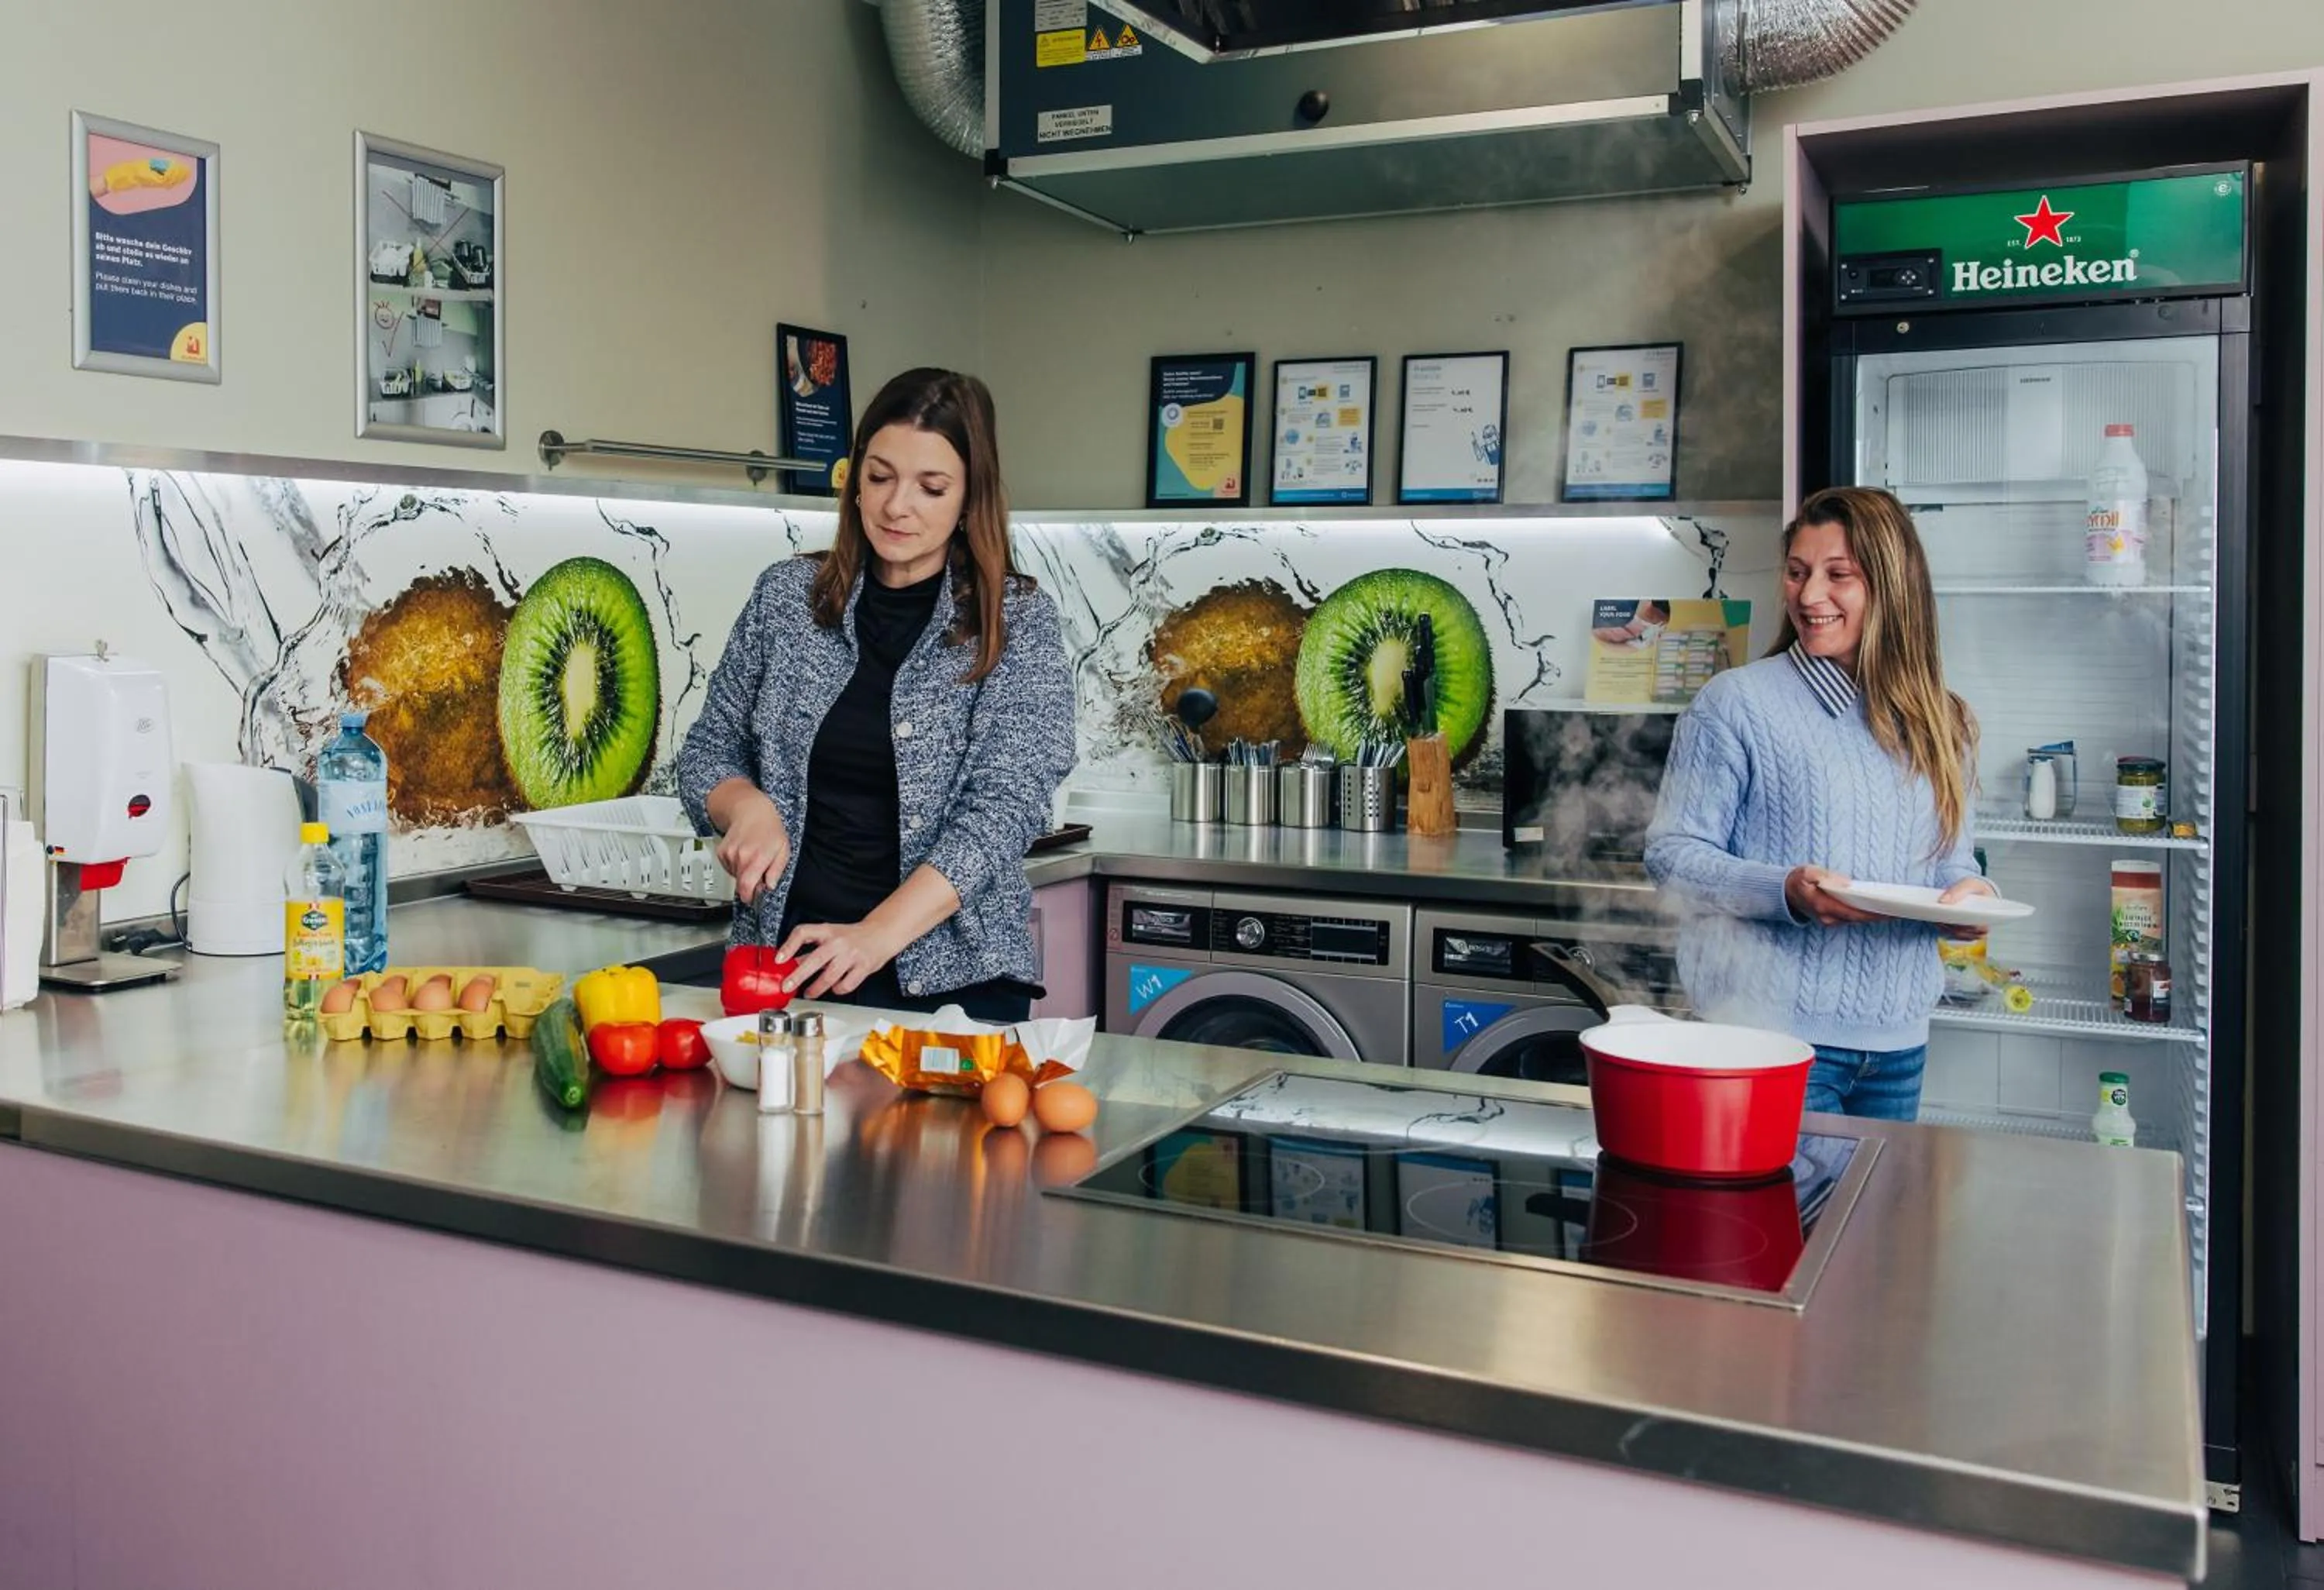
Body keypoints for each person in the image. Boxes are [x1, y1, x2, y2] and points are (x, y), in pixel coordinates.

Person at [677, 367, 1076, 1024]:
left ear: (969, 498)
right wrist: (745, 806)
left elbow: (1006, 810)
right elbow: (707, 750)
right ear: (856, 479)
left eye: (931, 487)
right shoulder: (785, 598)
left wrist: (876, 936)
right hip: (790, 970)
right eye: (881, 476)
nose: (897, 506)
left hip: (955, 989)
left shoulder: (1017, 621)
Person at [1643, 486, 1996, 1119]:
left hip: (1899, 1046)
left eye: (1839, 575)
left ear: (1892, 588)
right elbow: (1671, 857)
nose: (1809, 597)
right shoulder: (1737, 704)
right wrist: (1786, 891)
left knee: (1873, 1194)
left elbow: (1951, 862)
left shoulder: (1943, 720)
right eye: (1797, 572)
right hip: (1768, 1038)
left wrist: (1974, 897)